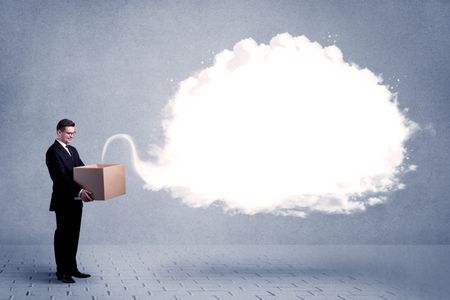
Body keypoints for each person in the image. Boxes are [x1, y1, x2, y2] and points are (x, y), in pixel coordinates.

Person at [46, 119, 93, 283]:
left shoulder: (73, 150)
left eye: (73, 133)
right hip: (63, 201)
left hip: (75, 201)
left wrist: (95, 184)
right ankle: (62, 271)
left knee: (74, 235)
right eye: (68, 133)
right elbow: (60, 178)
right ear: (59, 132)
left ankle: (72, 268)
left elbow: (82, 170)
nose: (71, 136)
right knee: (63, 236)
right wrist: (80, 191)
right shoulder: (52, 152)